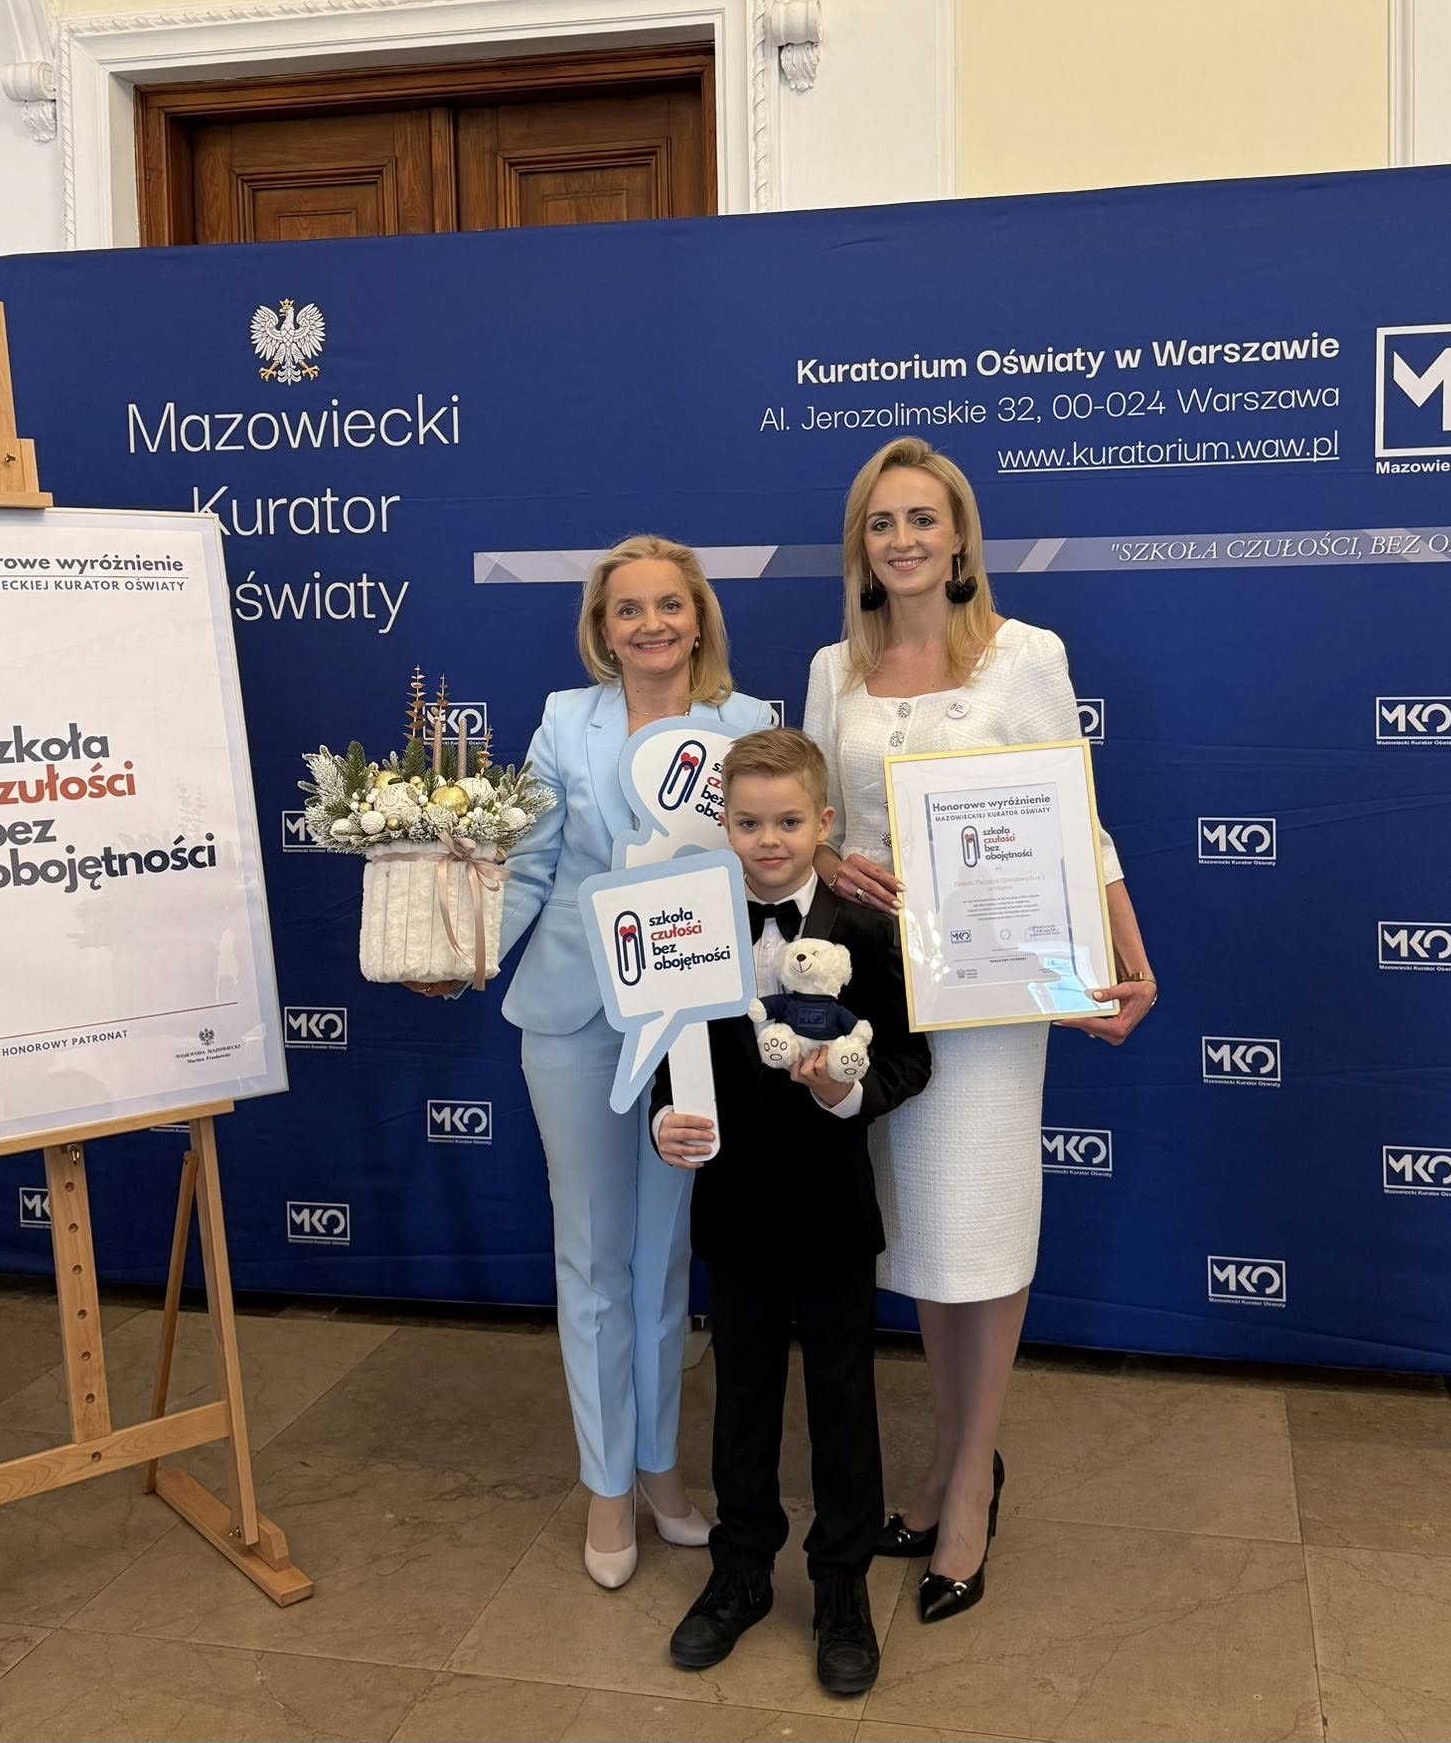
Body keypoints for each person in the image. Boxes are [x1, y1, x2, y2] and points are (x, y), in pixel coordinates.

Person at [802, 438, 1157, 1623]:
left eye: (922, 518)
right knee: (923, 1241)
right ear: (861, 547)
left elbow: (1076, 815)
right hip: (879, 984)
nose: (902, 539)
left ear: (958, 537)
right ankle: (955, 1460)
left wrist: (1126, 951)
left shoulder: (1024, 655)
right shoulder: (833, 669)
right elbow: (813, 823)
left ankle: (964, 1489)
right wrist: (828, 859)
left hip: (996, 989)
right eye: (881, 522)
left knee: (983, 1230)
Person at [411, 536, 776, 1590]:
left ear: (698, 620)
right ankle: (606, 1484)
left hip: (692, 1022)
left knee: (664, 1261)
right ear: (602, 629)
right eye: (628, 609)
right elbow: (530, 866)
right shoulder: (565, 721)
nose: (651, 623)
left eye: (669, 604)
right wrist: (465, 955)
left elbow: (769, 866)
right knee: (591, 1255)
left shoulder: (748, 725)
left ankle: (661, 1470)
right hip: (574, 1017)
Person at [652, 728, 930, 1695]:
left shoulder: (866, 932)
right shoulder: (692, 926)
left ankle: (842, 1581)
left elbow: (911, 1058)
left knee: (844, 1392)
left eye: (787, 822)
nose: (767, 841)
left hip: (832, 1206)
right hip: (734, 1203)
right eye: (747, 823)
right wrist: (665, 1121)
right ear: (724, 826)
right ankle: (740, 1569)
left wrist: (845, 1095)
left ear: (824, 823)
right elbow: (668, 1051)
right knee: (742, 1391)